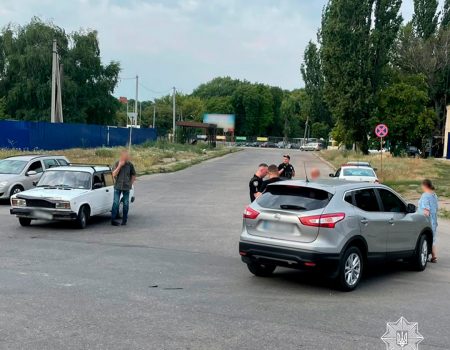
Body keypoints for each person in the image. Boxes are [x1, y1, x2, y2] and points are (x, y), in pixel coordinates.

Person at [111, 150, 136, 226]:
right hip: (118, 186)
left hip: (126, 187)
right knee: (115, 203)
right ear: (121, 156)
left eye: (127, 156)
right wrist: (119, 166)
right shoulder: (116, 163)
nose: (126, 157)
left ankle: (124, 220)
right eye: (124, 155)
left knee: (126, 204)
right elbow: (113, 174)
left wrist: (131, 184)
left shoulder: (130, 165)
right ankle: (113, 220)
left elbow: (133, 175)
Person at [418, 179, 439, 263]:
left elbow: (426, 210)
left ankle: (429, 255)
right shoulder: (434, 195)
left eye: (422, 186)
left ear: (424, 185)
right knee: (432, 237)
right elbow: (436, 208)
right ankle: (434, 256)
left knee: (425, 237)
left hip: (427, 220)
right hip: (434, 219)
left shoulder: (425, 195)